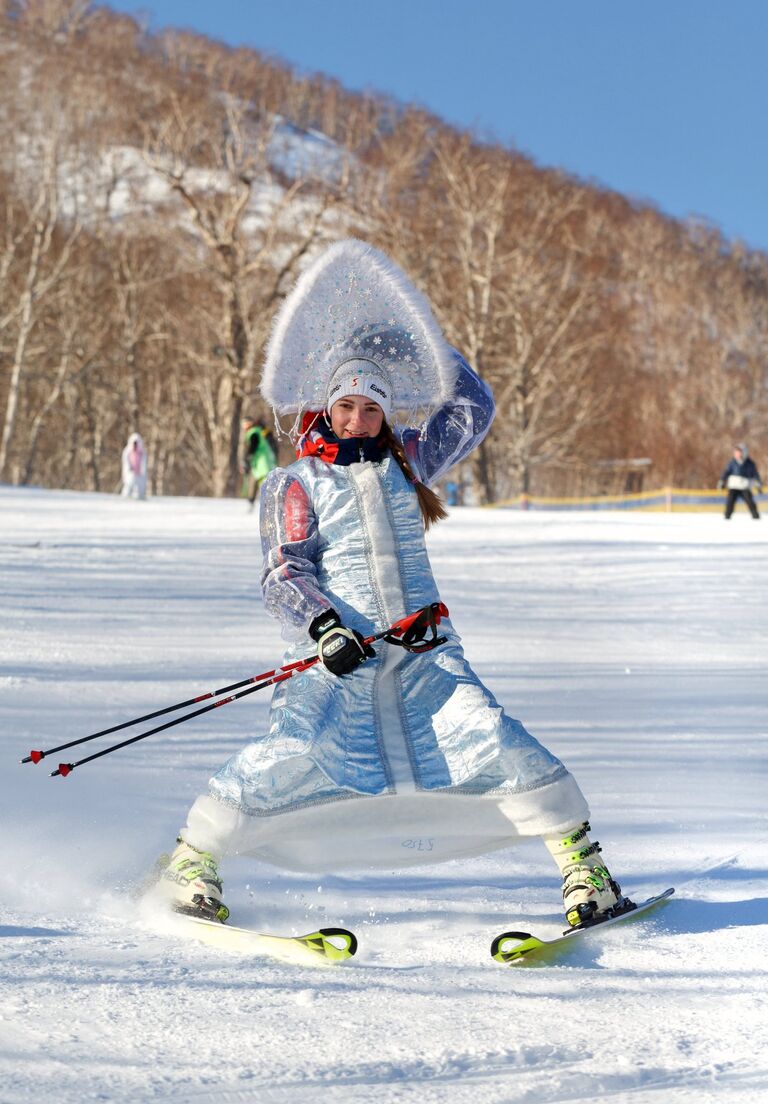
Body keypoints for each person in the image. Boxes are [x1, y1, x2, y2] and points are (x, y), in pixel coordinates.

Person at [153, 240, 630, 932]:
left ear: (384, 415)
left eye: (370, 409)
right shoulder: (294, 482)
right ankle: (194, 862)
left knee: (493, 737)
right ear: (326, 408)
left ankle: (584, 870)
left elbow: (473, 407)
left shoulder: (408, 463)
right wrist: (323, 628)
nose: (357, 420)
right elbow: (284, 572)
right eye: (345, 407)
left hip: (427, 657)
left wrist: (421, 343)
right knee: (295, 753)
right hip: (339, 658)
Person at [240, 417, 277, 510]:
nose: (243, 426)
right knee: (256, 482)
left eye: (244, 424)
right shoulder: (256, 431)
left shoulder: (254, 432)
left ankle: (270, 504)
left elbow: (253, 446)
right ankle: (253, 502)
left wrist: (247, 458)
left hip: (262, 463)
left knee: (264, 484)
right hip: (260, 463)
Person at [718, 443, 762, 519]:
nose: (737, 454)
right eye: (736, 452)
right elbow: (726, 472)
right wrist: (722, 481)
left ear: (744, 452)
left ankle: (756, 518)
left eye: (739, 452)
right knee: (730, 503)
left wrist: (758, 484)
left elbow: (755, 475)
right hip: (734, 486)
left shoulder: (750, 463)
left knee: (750, 503)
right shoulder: (732, 463)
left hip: (745, 487)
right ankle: (727, 518)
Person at [121, 432, 147, 500]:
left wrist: (143, 470)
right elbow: (125, 461)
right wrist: (129, 467)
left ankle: (140, 497)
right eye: (134, 443)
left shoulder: (141, 452)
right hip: (131, 472)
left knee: (140, 486)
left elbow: (144, 462)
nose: (135, 444)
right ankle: (125, 497)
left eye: (136, 443)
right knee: (129, 485)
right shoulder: (128, 451)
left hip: (139, 473)